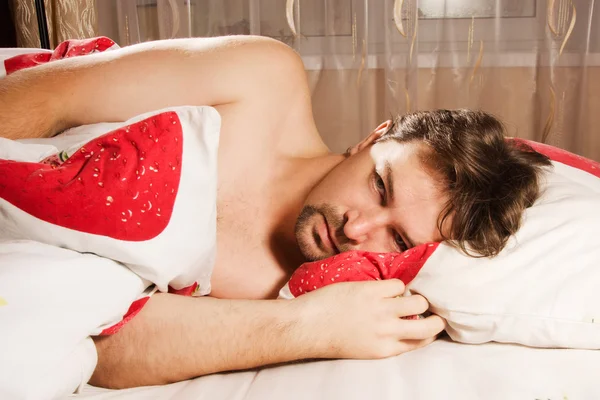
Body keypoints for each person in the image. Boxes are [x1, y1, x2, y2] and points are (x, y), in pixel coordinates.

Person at [0, 35, 550, 389]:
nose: (356, 229)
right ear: (371, 138)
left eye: (398, 240)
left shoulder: (299, 290)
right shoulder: (265, 81)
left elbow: (104, 345)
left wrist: (302, 327)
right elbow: (50, 97)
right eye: (379, 188)